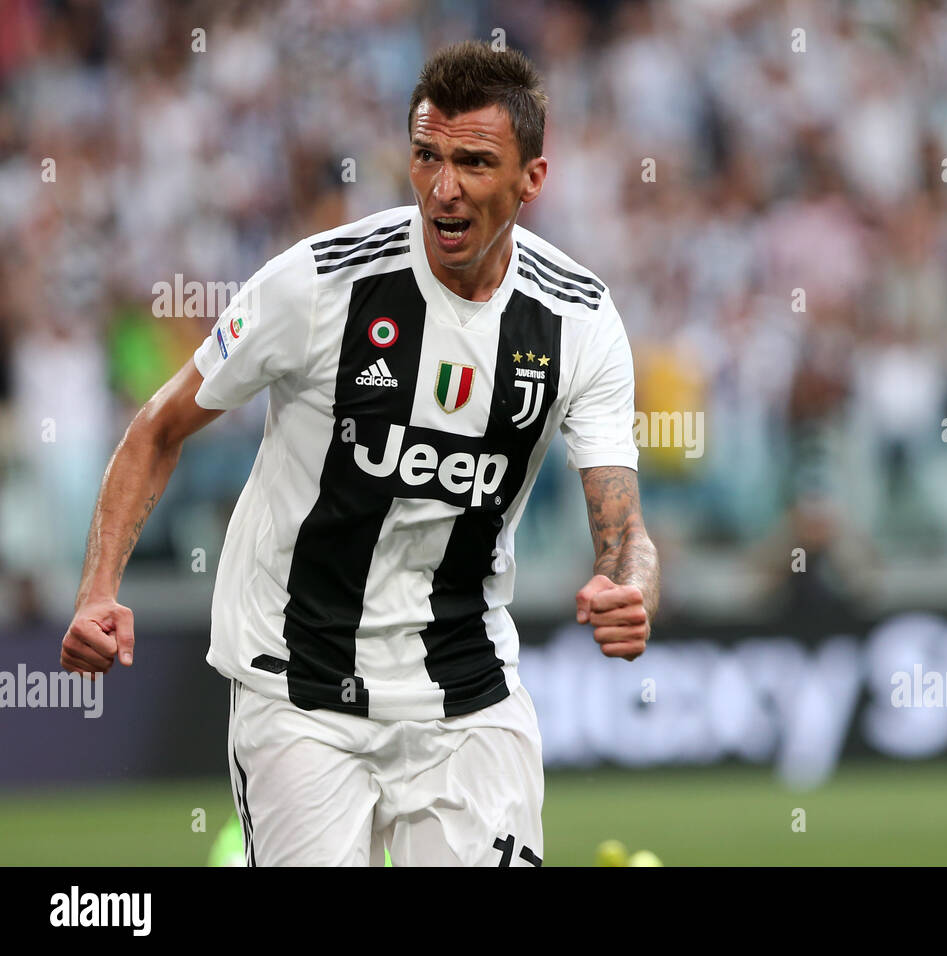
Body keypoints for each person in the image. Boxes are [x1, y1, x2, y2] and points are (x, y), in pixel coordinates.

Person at [60, 41, 659, 866]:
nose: (442, 188)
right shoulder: (317, 286)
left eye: (474, 163)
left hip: (465, 693)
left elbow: (624, 530)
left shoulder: (579, 320)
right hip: (298, 684)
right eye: (426, 156)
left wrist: (630, 588)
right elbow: (156, 429)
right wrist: (97, 591)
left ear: (533, 180)